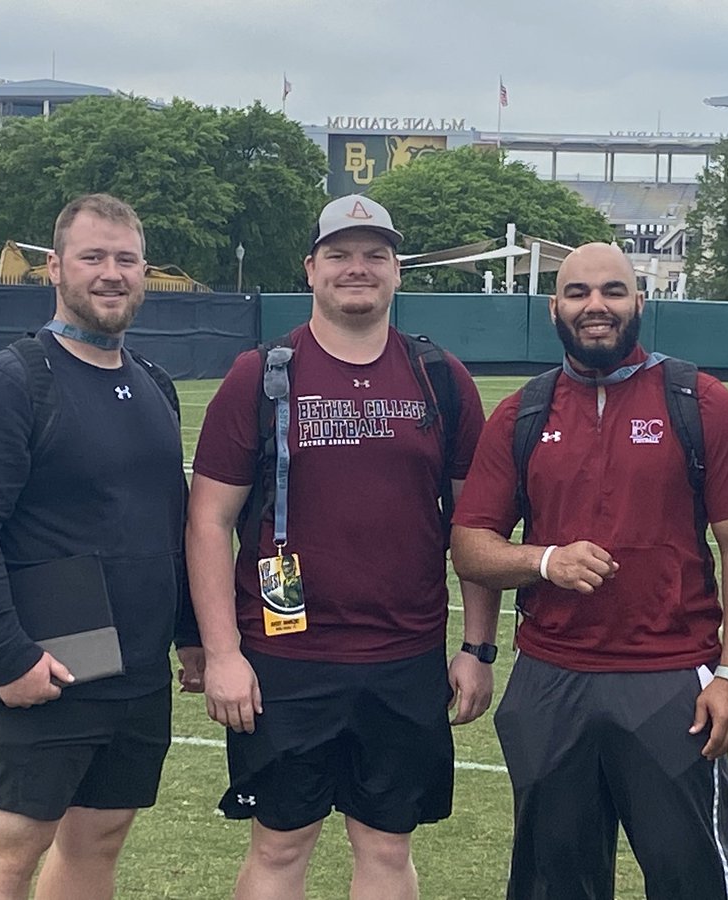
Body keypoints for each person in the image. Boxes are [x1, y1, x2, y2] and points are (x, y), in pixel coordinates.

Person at [186, 194, 498, 900]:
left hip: (405, 657)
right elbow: (207, 520)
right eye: (340, 254)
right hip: (285, 657)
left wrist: (477, 649)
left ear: (396, 271)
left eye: (374, 255)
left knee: (387, 846)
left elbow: (475, 525)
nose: (357, 267)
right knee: (279, 845)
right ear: (311, 268)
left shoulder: (440, 377)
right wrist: (224, 653)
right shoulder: (260, 374)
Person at [450, 242, 728, 899]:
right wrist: (544, 560)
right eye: (578, 293)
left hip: (670, 681)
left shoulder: (700, 401)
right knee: (552, 882)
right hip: (550, 679)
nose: (596, 305)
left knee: (690, 881)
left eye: (613, 291)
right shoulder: (522, 413)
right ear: (554, 308)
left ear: (640, 303)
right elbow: (471, 545)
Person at [0, 193, 203, 900]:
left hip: (135, 669)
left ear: (144, 272)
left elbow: (166, 525)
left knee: (98, 841)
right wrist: (8, 656)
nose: (111, 273)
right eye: (93, 257)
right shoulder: (8, 383)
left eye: (126, 259)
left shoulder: (154, 384)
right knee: (10, 848)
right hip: (42, 663)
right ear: (54, 268)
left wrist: (191, 636)